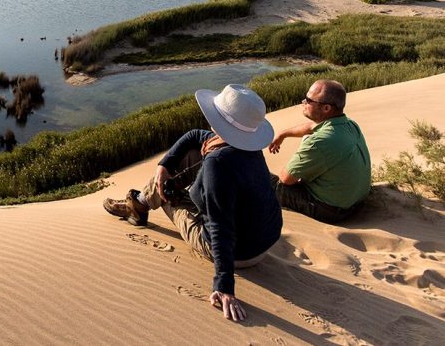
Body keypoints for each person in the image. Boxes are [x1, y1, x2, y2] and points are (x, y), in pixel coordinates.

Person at [103, 84, 283, 322]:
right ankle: (139, 202)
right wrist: (164, 165)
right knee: (186, 158)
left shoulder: (218, 163)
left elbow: (220, 227)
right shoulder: (245, 146)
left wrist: (224, 285)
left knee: (164, 189)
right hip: (262, 243)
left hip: (240, 254)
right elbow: (194, 135)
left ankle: (138, 205)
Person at [268, 79, 371, 223]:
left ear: (326, 108)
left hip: (331, 210)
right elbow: (311, 127)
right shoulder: (349, 125)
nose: (303, 102)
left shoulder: (320, 141)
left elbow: (286, 179)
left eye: (309, 100)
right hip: (356, 201)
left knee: (267, 181)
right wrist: (283, 134)